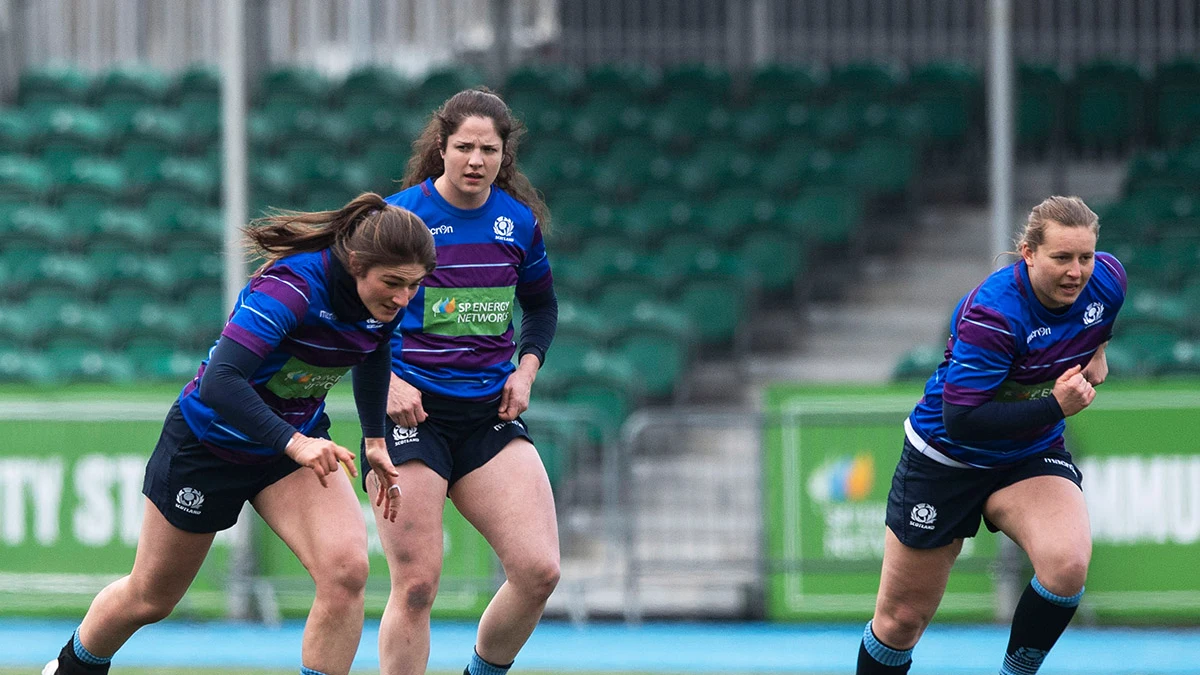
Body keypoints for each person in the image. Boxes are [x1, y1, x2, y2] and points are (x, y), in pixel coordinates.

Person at [44, 193, 437, 675]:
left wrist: (374, 440)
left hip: (291, 449)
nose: (402, 299)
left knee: (346, 573)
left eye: (414, 287)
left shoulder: (382, 304)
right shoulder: (292, 288)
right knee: (150, 598)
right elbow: (220, 382)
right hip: (211, 445)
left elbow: (375, 353)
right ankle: (68, 668)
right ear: (355, 263)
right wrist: (295, 443)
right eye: (393, 283)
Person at [857, 196, 1127, 675]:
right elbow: (963, 419)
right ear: (1028, 253)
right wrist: (1055, 406)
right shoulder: (995, 314)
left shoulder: (1106, 280)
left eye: (1084, 257)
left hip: (1028, 453)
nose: (1076, 271)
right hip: (946, 459)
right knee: (900, 621)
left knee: (1066, 567)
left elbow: (1102, 313)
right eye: (1061, 258)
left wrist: (1098, 351)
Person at [359, 87, 559, 675]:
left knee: (539, 572)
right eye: (465, 147)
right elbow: (352, 314)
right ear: (441, 148)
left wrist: (527, 370)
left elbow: (542, 309)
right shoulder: (399, 219)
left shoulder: (517, 222)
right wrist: (389, 382)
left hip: (491, 416)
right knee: (416, 586)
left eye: (489, 150)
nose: (476, 160)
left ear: (504, 156)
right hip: (411, 420)